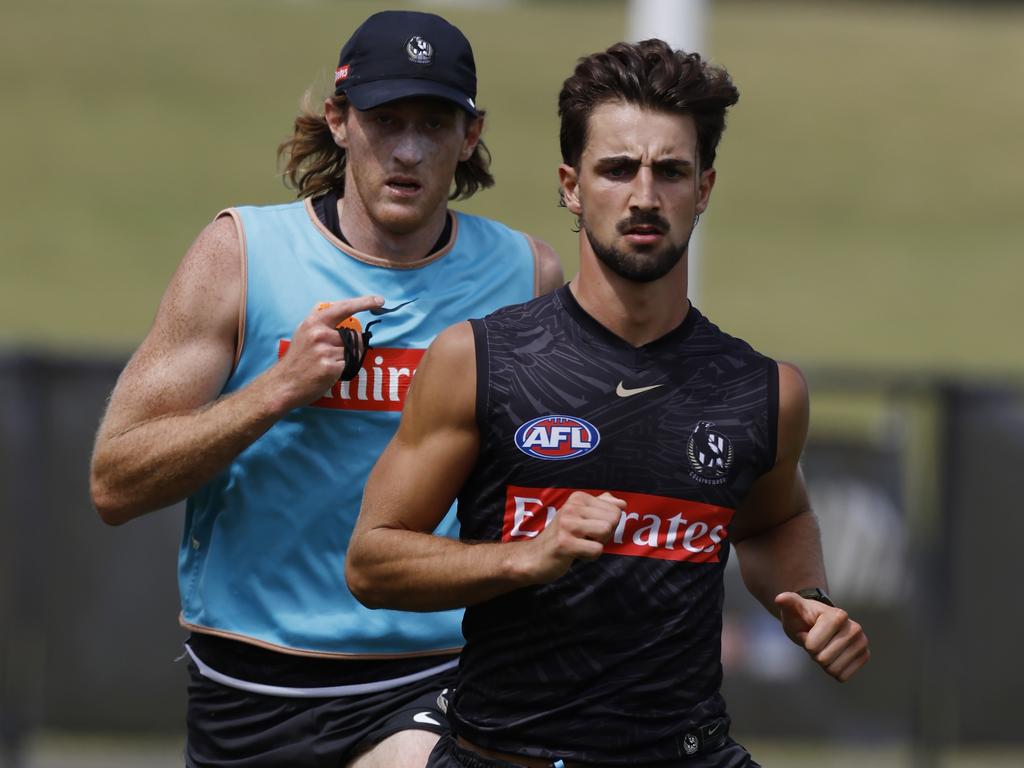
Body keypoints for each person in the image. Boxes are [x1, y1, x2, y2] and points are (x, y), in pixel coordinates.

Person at [346, 39, 871, 768]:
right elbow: (372, 564)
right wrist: (524, 559)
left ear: (705, 187)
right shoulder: (478, 361)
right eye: (618, 169)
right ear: (570, 185)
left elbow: (776, 521)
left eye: (671, 171)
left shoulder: (765, 391)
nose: (645, 197)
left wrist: (808, 597)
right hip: (505, 754)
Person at [89, 10, 562, 768]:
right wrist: (275, 390)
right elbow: (116, 482)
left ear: (469, 136)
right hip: (254, 682)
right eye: (386, 121)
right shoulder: (242, 254)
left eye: (434, 124)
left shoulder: (525, 276)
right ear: (340, 121)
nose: (408, 150)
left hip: (437, 668)